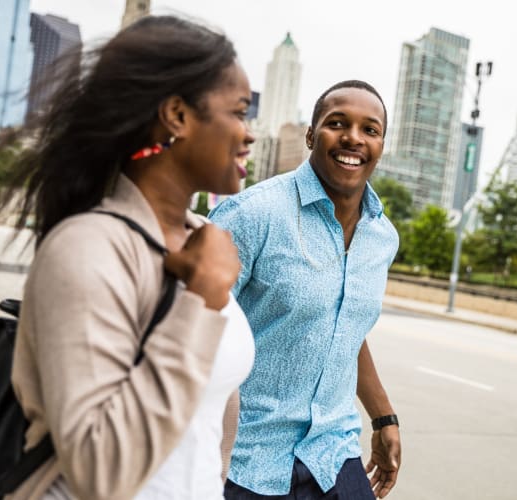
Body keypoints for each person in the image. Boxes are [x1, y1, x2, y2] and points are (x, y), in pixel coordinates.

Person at [6, 15, 255, 499]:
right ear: (178, 116)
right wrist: (201, 300)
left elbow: (207, 421)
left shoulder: (206, 240)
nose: (249, 134)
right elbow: (100, 471)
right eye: (240, 111)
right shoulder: (86, 247)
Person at [210, 80, 401, 499]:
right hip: (246, 461)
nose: (353, 137)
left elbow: (343, 325)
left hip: (333, 455)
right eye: (338, 123)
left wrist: (383, 417)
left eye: (370, 129)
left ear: (381, 144)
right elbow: (191, 331)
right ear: (312, 135)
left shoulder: (382, 237)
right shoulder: (251, 216)